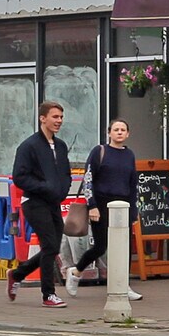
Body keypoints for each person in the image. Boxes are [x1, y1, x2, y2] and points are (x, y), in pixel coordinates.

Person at [65, 119, 142, 301]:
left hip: (123, 204)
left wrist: (133, 211)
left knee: (126, 247)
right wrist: (92, 205)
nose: (120, 133)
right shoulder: (99, 151)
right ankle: (76, 272)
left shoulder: (129, 155)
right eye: (116, 129)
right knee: (101, 246)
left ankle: (123, 285)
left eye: (123, 130)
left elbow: (133, 184)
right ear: (109, 133)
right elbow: (88, 179)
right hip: (101, 204)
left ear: (128, 134)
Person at [8, 101, 71, 307]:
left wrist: (62, 189)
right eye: (55, 117)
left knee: (52, 248)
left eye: (61, 117)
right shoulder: (29, 146)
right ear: (42, 118)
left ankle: (17, 274)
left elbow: (65, 173)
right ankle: (48, 295)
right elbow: (19, 177)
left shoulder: (60, 146)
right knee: (50, 245)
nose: (59, 121)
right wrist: (45, 187)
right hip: (34, 202)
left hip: (53, 202)